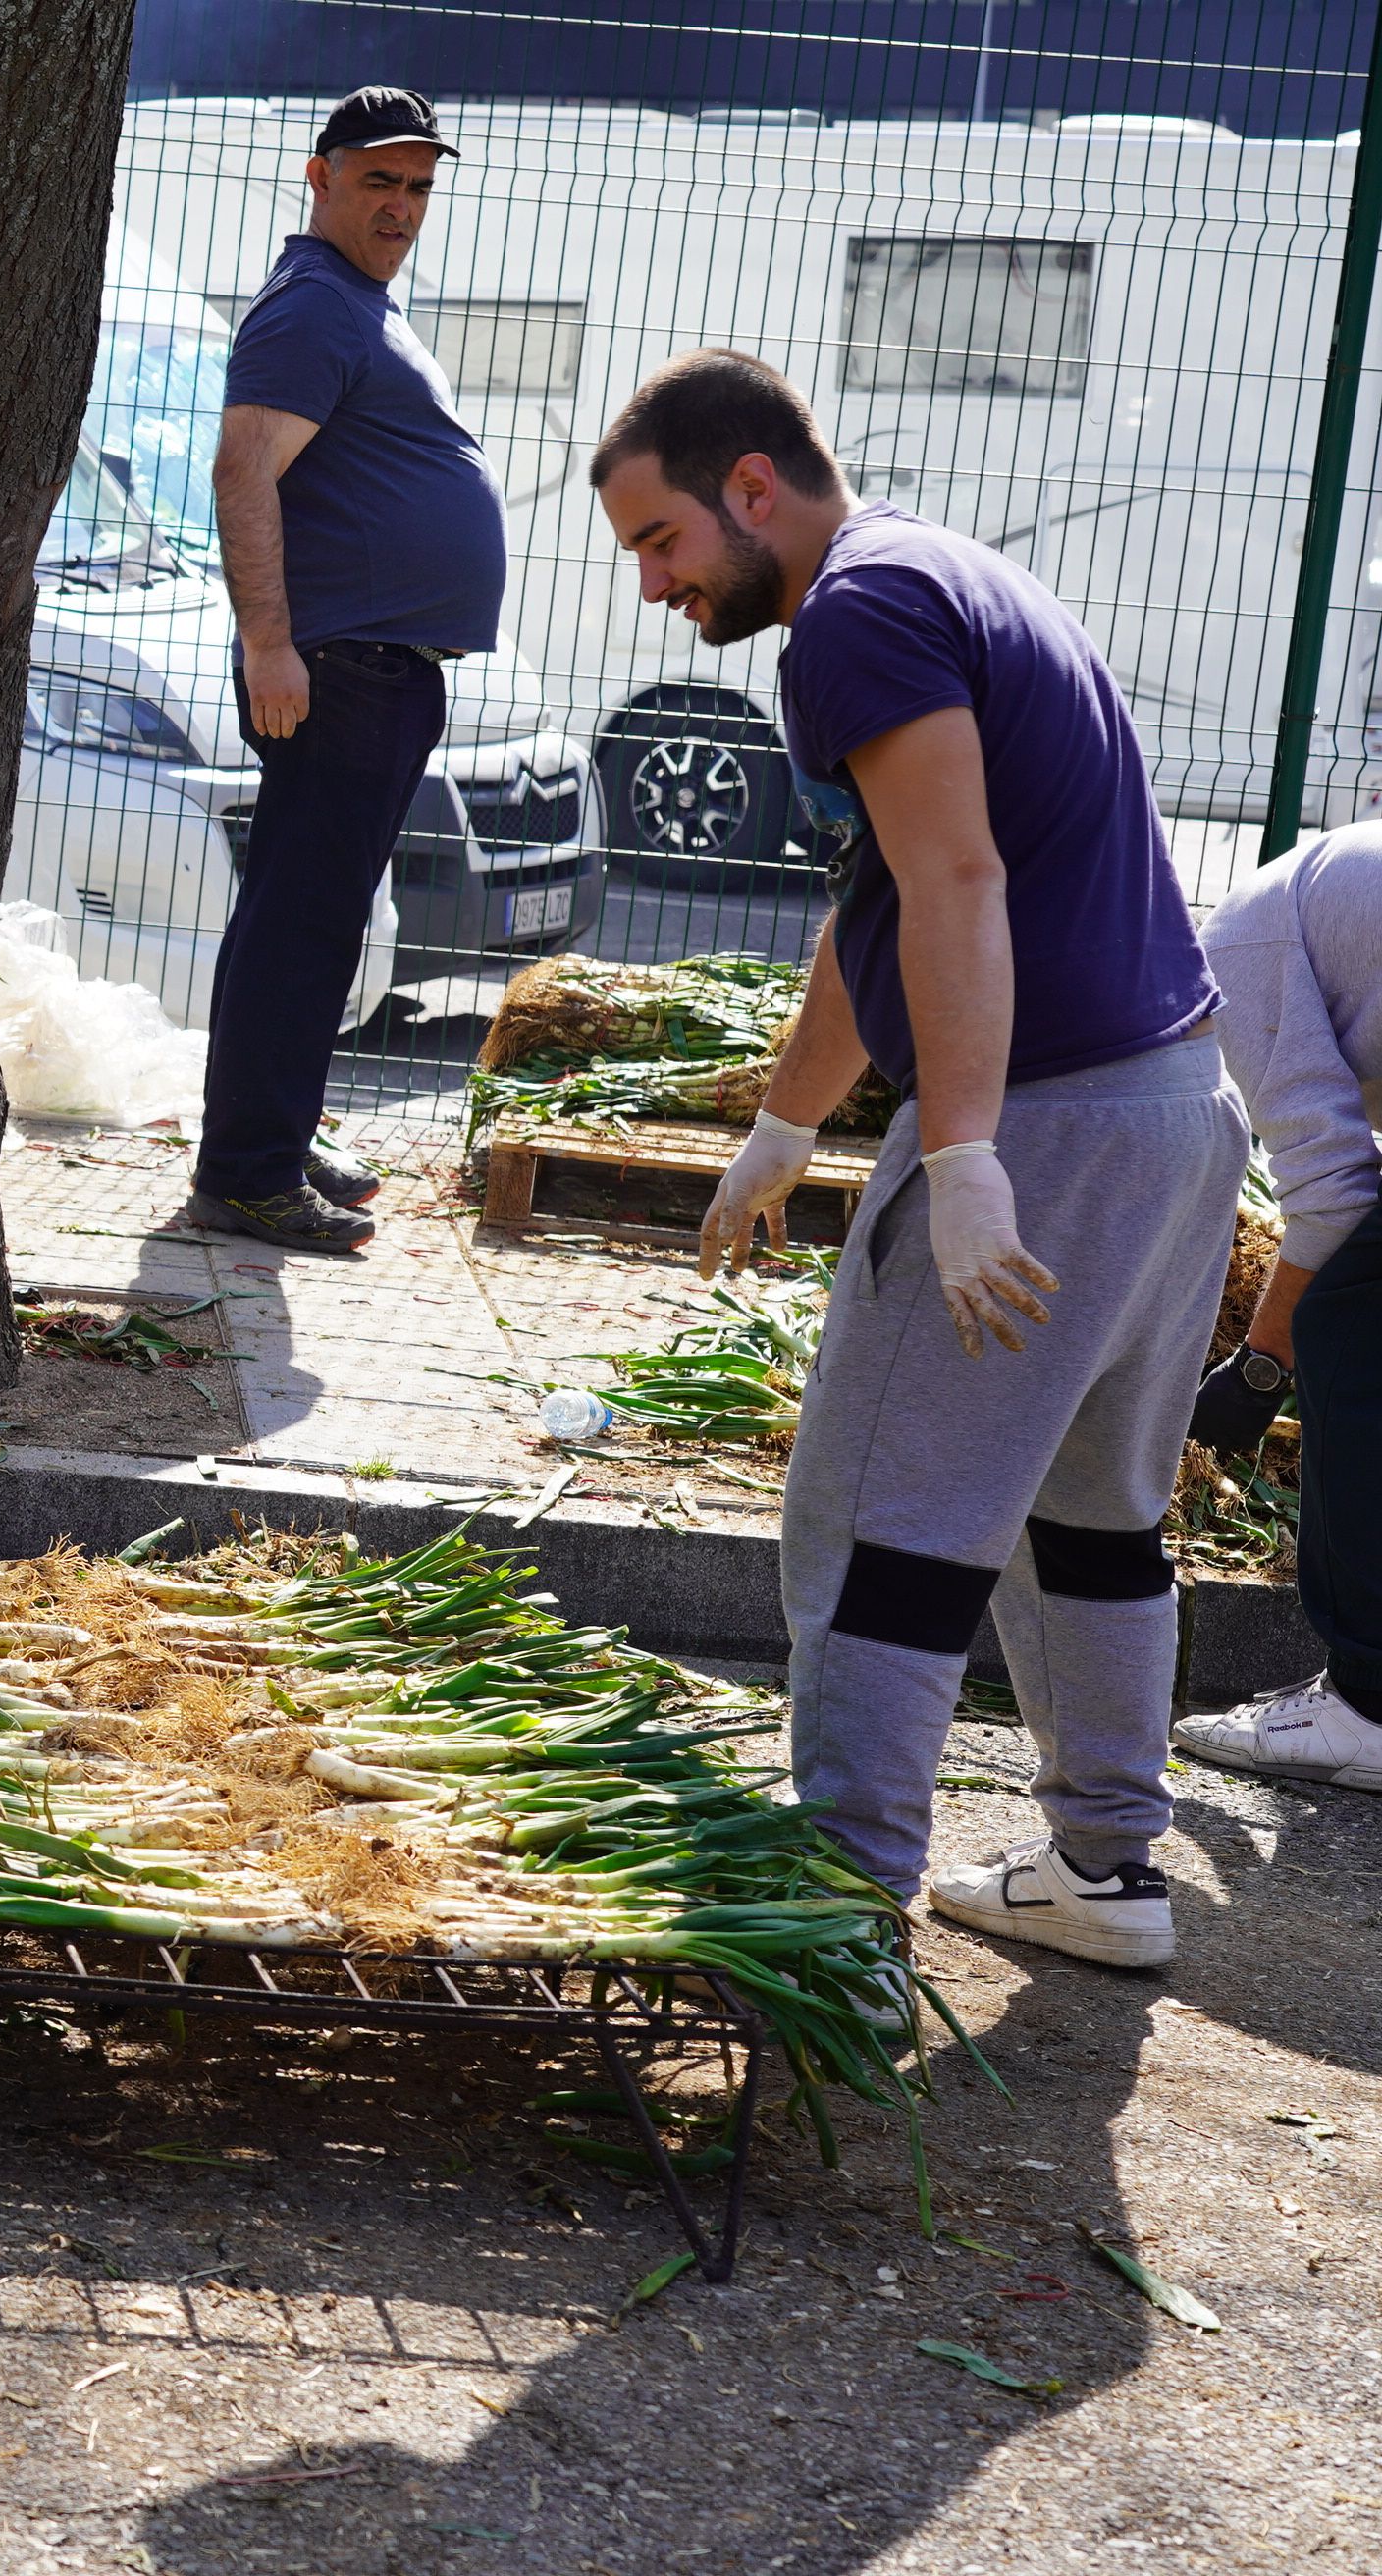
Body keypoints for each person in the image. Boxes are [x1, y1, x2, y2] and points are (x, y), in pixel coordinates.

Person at [598, 350, 1237, 1973]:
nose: (657, 586)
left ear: (752, 485)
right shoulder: (942, 572)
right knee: (1088, 1511)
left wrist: (959, 1158)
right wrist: (784, 1122)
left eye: (661, 540)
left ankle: (839, 1919)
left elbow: (953, 880)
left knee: (879, 1517)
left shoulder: (858, 619)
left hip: (1043, 1122)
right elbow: (882, 900)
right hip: (1172, 1114)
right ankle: (1106, 1860)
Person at [190, 84, 506, 1257]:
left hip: (367, 664)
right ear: (318, 177)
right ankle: (250, 1173)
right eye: (380, 179)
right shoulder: (312, 308)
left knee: (305, 913)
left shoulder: (355, 303)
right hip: (335, 665)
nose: (403, 204)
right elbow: (242, 472)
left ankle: (266, 1135)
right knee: (303, 922)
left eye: (420, 184)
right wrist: (270, 644)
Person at [1176, 831, 1382, 1792]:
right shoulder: (1314, 907)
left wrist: (1261, 1367)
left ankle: (1366, 1709)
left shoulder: (1237, 953)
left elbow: (1338, 1199)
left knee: (1350, 1323)